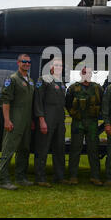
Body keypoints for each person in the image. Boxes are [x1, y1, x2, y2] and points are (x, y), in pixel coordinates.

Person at [0, 54, 35, 190]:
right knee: (8, 149)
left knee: (24, 150)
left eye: (28, 62)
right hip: (15, 120)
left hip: (26, 121)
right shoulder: (12, 79)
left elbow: (29, 103)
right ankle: (3, 180)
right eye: (24, 61)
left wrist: (31, 120)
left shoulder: (30, 81)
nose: (26, 63)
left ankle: (21, 177)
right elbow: (6, 100)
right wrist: (7, 120)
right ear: (18, 63)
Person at [65, 66, 104, 186]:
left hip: (92, 123)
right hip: (78, 122)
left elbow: (103, 103)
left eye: (88, 73)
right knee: (75, 149)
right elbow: (67, 103)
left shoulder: (97, 88)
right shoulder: (73, 88)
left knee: (94, 150)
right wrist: (74, 114)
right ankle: (72, 176)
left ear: (91, 75)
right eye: (84, 73)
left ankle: (95, 176)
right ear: (81, 74)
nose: (86, 75)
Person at [33, 58, 68, 187]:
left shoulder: (61, 82)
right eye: (57, 65)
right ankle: (40, 178)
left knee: (59, 148)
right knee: (43, 148)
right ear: (51, 67)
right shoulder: (44, 79)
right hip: (47, 118)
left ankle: (59, 176)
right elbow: (38, 101)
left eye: (61, 66)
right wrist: (41, 120)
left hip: (59, 120)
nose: (59, 68)